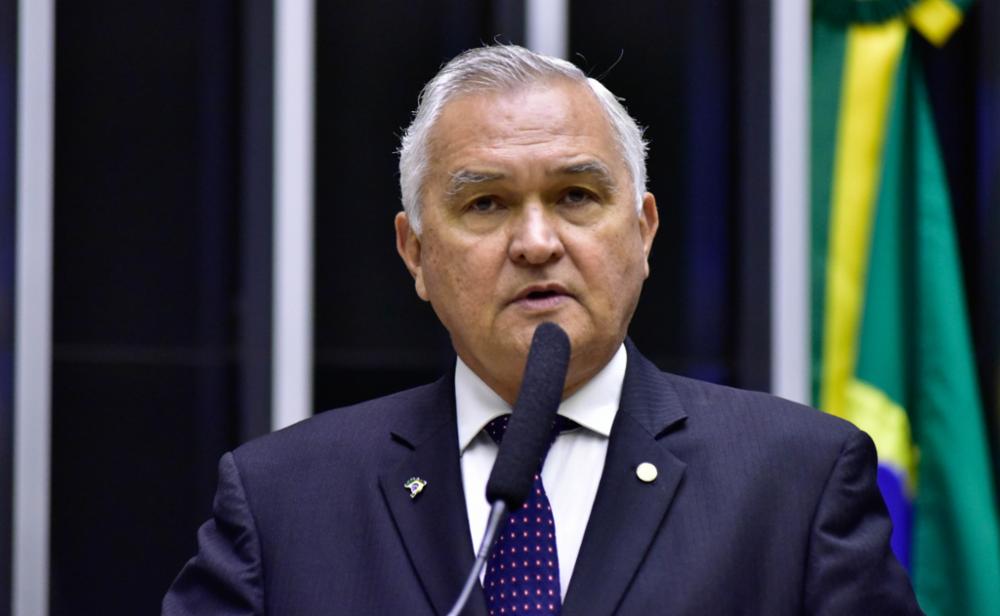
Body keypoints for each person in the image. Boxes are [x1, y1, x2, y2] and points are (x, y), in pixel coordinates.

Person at [163, 45, 920, 615]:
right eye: (486, 204)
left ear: (644, 231)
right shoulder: (284, 498)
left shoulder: (796, 480)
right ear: (416, 252)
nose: (535, 242)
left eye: (576, 196)